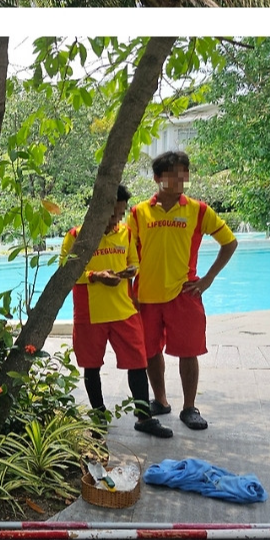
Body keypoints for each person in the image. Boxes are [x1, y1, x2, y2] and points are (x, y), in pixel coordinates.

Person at [128, 150, 237, 431]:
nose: (180, 178)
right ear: (157, 178)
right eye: (173, 173)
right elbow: (128, 254)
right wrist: (130, 290)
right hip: (146, 296)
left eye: (183, 172)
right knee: (151, 352)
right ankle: (161, 401)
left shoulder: (198, 210)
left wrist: (208, 279)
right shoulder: (138, 213)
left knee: (189, 353)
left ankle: (190, 408)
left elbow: (229, 242)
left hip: (185, 293)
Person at [60, 184, 173, 438]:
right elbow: (66, 273)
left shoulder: (127, 233)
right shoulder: (76, 236)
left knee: (137, 363)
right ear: (96, 210)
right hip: (91, 313)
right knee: (92, 367)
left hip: (124, 310)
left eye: (120, 214)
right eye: (112, 214)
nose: (116, 219)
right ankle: (99, 418)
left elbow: (134, 262)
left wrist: (132, 270)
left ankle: (144, 417)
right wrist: (95, 276)